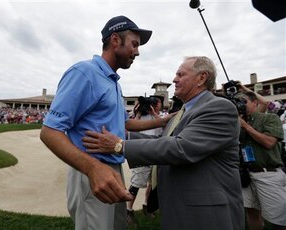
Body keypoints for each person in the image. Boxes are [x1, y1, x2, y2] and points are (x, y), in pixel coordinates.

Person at [82, 56, 245, 230]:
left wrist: (120, 146)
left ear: (201, 78)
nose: (175, 79)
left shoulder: (219, 107)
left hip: (206, 214)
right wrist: (124, 137)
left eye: (181, 74)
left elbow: (181, 148)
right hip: (183, 208)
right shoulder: (186, 110)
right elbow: (164, 142)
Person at [40, 16, 170, 230]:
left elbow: (126, 123)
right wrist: (93, 169)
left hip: (112, 168)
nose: (137, 52)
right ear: (115, 40)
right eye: (134, 44)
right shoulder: (84, 73)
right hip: (90, 169)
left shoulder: (114, 83)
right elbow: (49, 132)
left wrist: (167, 119)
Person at [238, 91, 286, 230]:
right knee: (251, 212)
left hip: (268, 174)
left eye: (244, 101)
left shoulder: (269, 118)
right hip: (247, 175)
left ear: (255, 102)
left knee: (278, 219)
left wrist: (246, 127)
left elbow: (270, 142)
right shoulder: (239, 122)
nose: (241, 105)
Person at [126, 96, 163, 226]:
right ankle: (128, 211)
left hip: (155, 154)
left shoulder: (162, 116)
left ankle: (147, 207)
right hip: (141, 153)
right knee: (136, 184)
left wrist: (154, 113)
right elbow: (131, 127)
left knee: (152, 184)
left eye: (155, 103)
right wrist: (139, 113)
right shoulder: (139, 117)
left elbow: (165, 125)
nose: (153, 105)